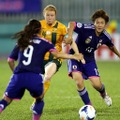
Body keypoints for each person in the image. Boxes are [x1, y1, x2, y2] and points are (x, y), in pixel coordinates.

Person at [0, 19, 84, 120]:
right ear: (40, 30)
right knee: (39, 100)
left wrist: (16, 73)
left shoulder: (22, 41)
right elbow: (57, 54)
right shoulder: (44, 43)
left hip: (18, 76)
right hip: (34, 77)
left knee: (5, 100)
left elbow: (10, 60)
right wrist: (74, 56)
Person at [65, 9, 120, 107]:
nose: (99, 25)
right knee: (78, 80)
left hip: (89, 60)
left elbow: (111, 46)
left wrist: (119, 55)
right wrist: (69, 36)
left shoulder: (105, 36)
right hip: (75, 56)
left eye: (102, 23)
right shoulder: (86, 28)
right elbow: (71, 24)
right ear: (93, 23)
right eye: (97, 22)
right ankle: (89, 106)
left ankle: (103, 94)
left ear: (105, 24)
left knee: (97, 85)